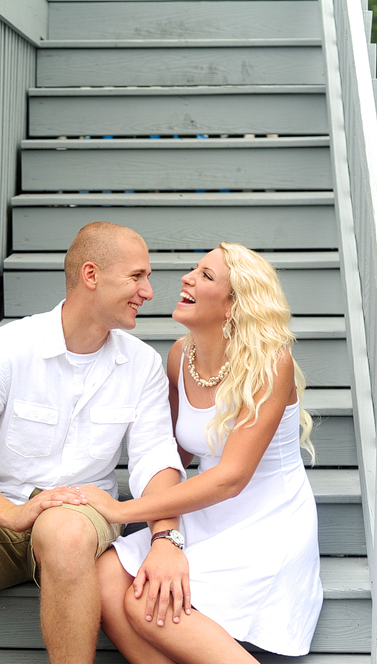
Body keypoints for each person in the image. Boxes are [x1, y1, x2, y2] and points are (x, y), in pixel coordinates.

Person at [0, 222, 190, 664]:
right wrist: (9, 512)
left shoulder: (141, 366)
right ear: (91, 275)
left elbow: (156, 461)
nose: (149, 291)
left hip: (78, 516)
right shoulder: (10, 348)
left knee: (63, 533)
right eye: (137, 276)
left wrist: (165, 538)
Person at [80, 242, 323, 663]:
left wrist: (123, 511)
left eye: (206, 276)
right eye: (194, 269)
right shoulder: (180, 356)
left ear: (233, 306)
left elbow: (231, 478)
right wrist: (163, 535)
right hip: (205, 512)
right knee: (104, 576)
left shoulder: (270, 364)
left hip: (266, 522)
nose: (187, 278)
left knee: (145, 601)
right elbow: (169, 456)